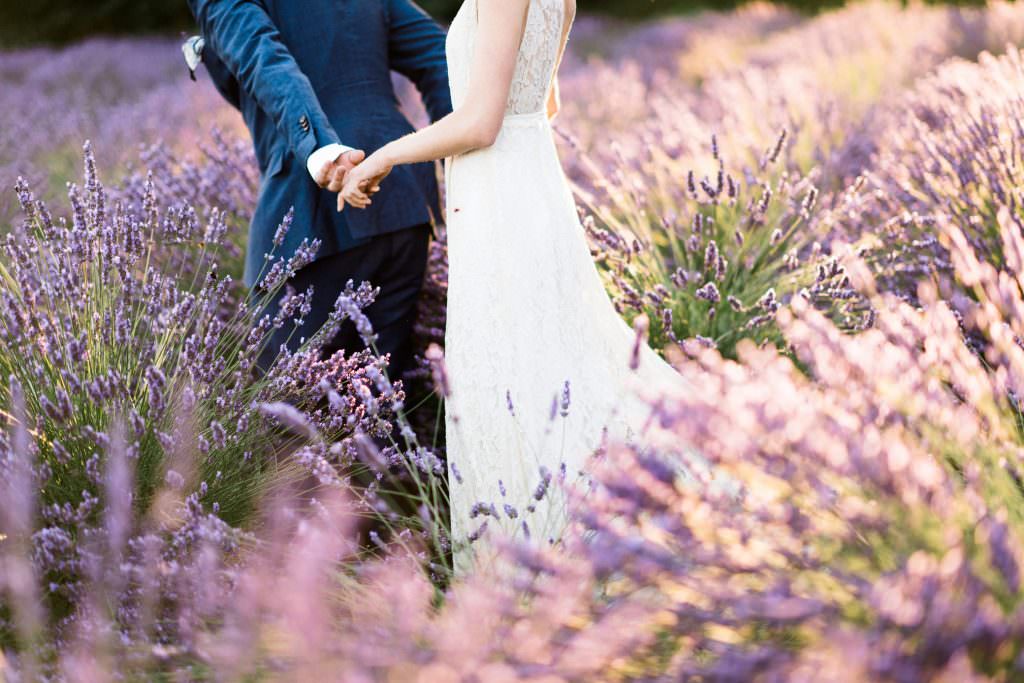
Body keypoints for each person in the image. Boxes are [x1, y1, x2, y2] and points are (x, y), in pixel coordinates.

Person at [335, 0, 683, 566]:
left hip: (501, 196)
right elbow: (545, 103)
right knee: (554, 359)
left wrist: (384, 158)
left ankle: (543, 550)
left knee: (514, 370)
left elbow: (480, 123)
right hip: (531, 181)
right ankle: (590, 524)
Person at [185, 0, 453, 376]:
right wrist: (460, 160)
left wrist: (323, 149)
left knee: (288, 398)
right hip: (402, 199)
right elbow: (442, 56)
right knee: (383, 396)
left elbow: (264, 57)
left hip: (309, 212)